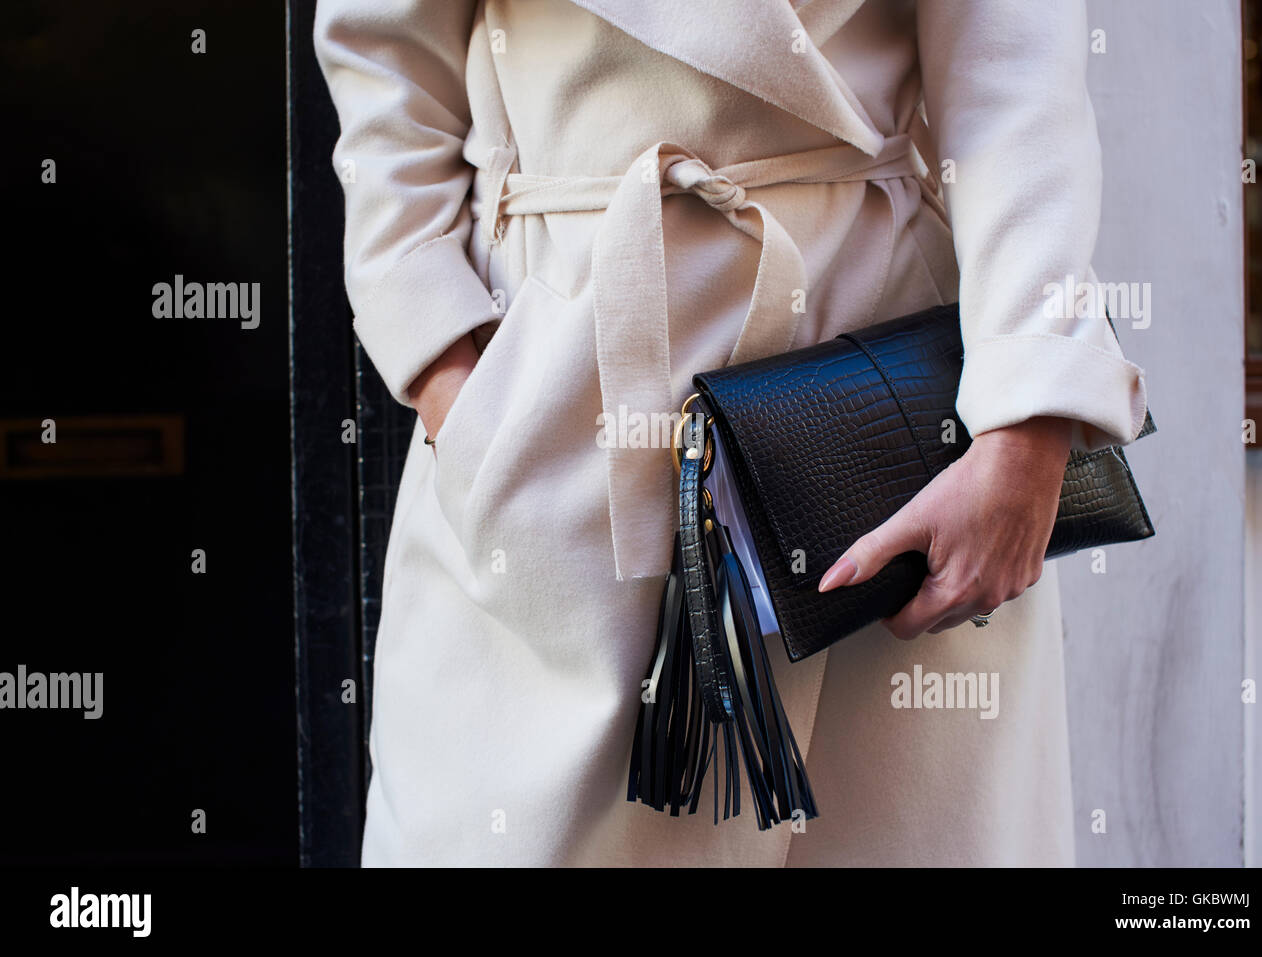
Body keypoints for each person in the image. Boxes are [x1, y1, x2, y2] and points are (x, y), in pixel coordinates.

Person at [314, 0, 1148, 866]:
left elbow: (1016, 83)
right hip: (565, 399)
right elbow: (386, 66)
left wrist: (1025, 428)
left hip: (887, 422)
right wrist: (453, 381)